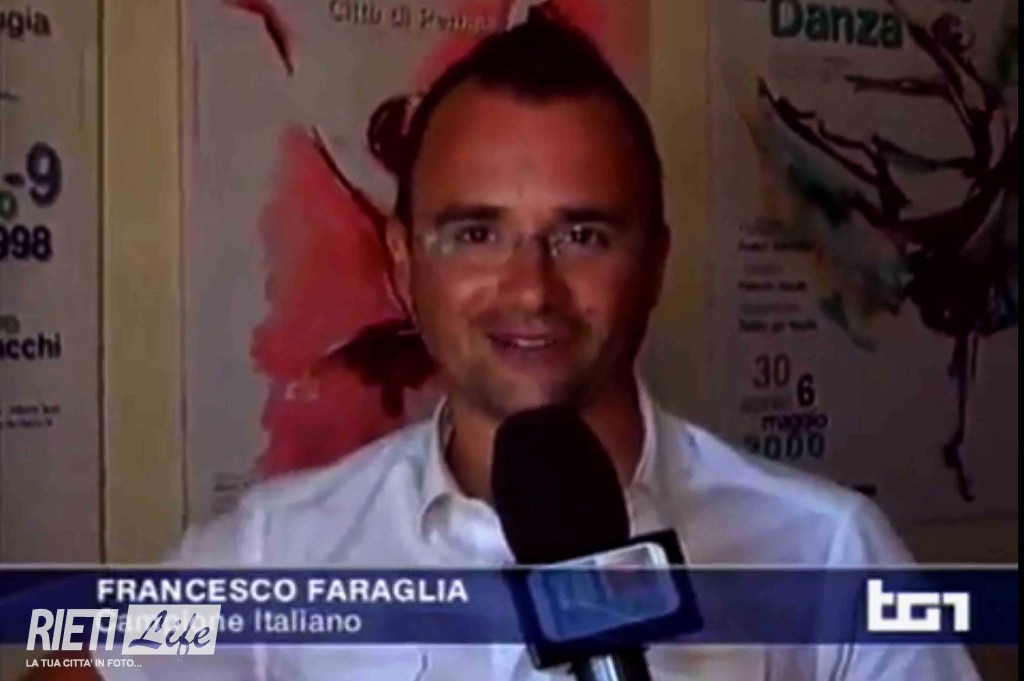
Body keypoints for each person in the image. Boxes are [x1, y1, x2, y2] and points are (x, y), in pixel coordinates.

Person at [83, 12, 978, 681]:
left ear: (654, 261)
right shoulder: (276, 553)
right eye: (476, 233)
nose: (530, 289)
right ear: (404, 264)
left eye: (583, 234)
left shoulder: (826, 553)